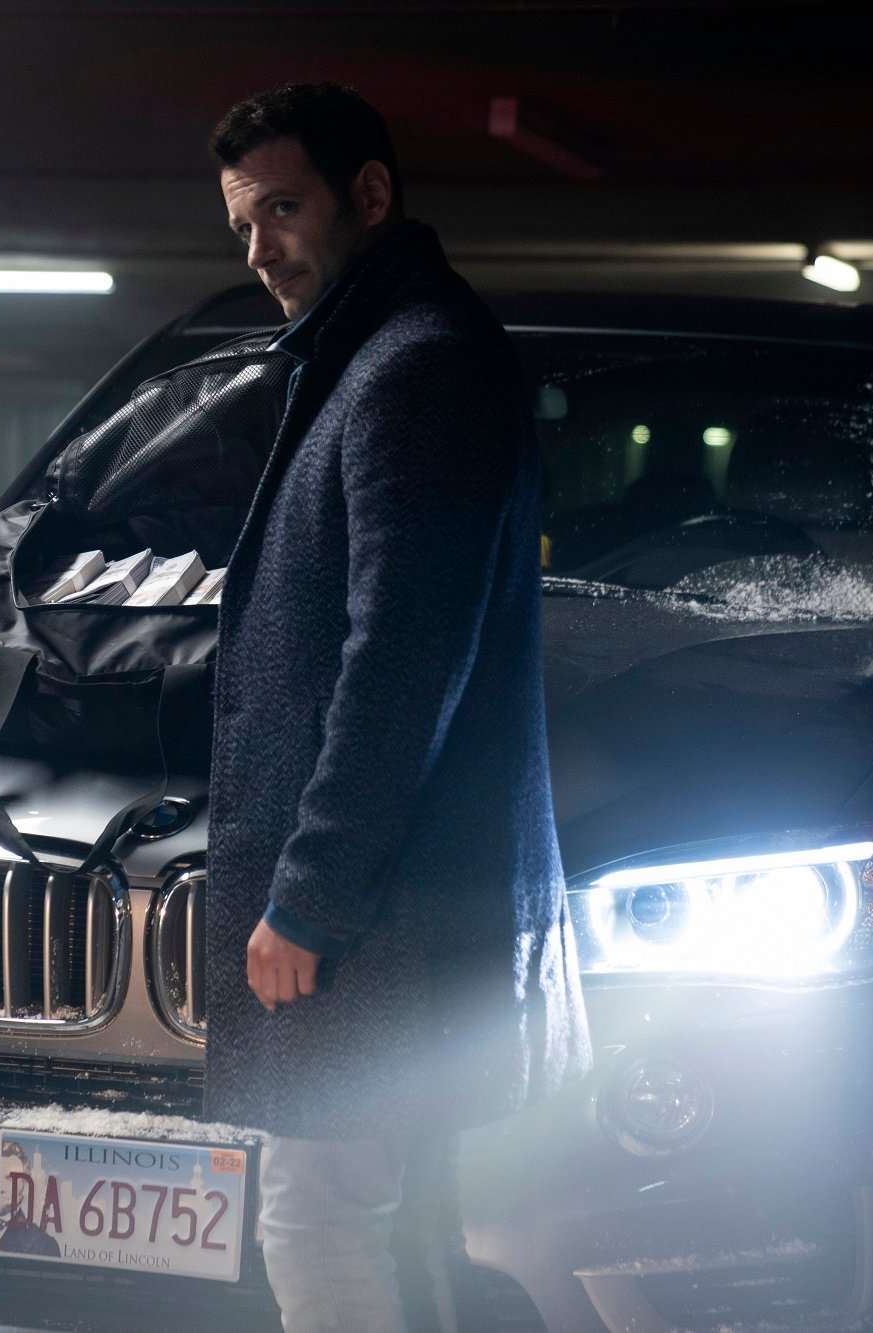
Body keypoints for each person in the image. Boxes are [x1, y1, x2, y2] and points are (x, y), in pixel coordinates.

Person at [200, 83, 591, 1331]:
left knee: (316, 1223)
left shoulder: (412, 368)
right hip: (399, 919)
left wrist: (308, 893)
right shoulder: (381, 354)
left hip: (381, 923)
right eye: (239, 222)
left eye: (282, 208)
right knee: (401, 1233)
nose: (259, 248)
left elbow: (399, 660)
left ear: (369, 196)